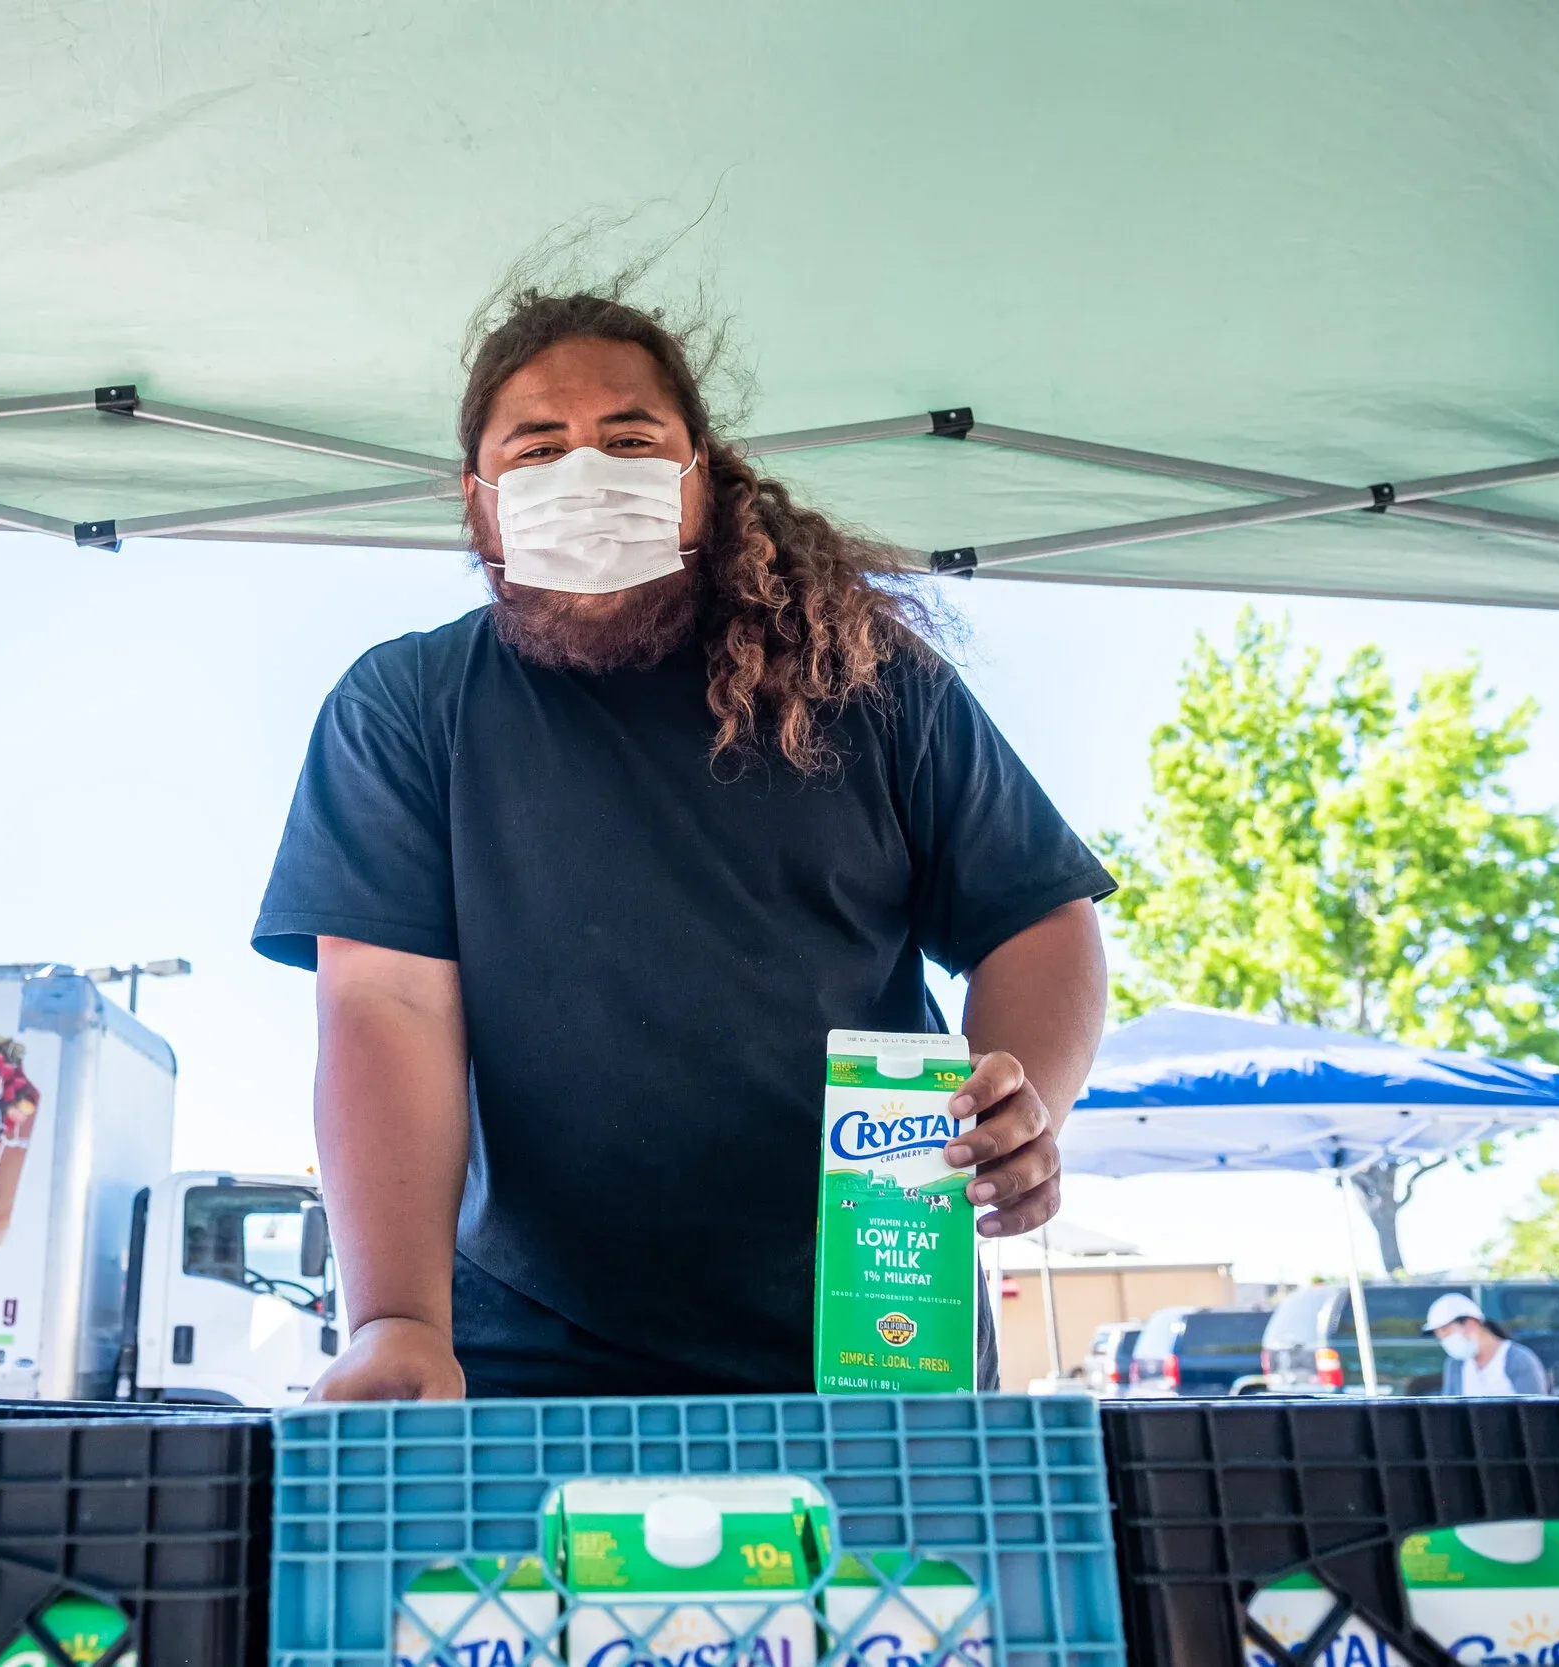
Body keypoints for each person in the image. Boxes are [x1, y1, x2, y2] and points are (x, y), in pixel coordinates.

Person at [253, 287, 1113, 1400]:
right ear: (478, 501)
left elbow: (1037, 916)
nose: (584, 473)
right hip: (525, 1354)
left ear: (701, 475)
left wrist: (1018, 1105)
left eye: (629, 440)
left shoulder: (865, 676)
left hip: (876, 1330)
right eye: (537, 447)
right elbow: (385, 1004)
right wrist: (397, 1319)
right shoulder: (405, 708)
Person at [1425, 1293, 1551, 1395]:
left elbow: (1534, 1411)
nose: (1445, 1342)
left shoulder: (1518, 1359)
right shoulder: (1455, 1365)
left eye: (1446, 1333)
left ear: (1471, 1323)